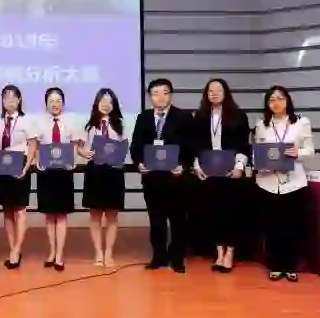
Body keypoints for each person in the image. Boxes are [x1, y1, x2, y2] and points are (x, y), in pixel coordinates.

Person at [130, 78, 192, 273]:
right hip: (152, 178)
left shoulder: (183, 117)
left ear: (170, 95)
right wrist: (139, 163)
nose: (160, 97)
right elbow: (136, 145)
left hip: (175, 178)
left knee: (178, 220)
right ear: (150, 97)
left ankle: (177, 258)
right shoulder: (144, 117)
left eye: (164, 93)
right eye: (155, 93)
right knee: (156, 221)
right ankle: (158, 257)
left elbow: (191, 146)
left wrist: (183, 165)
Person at [254, 85, 313, 282]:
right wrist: (260, 164)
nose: (276, 102)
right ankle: (275, 265)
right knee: (272, 226)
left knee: (292, 226)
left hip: (293, 182)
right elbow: (257, 151)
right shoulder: (262, 124)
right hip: (268, 181)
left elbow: (310, 150)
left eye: (280, 98)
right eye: (272, 99)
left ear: (287, 101)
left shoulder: (301, 122)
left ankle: (290, 266)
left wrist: (298, 153)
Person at [191, 79, 250, 273]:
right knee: (213, 212)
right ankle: (218, 252)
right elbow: (195, 146)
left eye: (218, 90)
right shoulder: (200, 117)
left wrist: (239, 167)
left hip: (231, 172)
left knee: (231, 213)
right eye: (210, 90)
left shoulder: (239, 116)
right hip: (209, 172)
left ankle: (230, 253)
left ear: (226, 93)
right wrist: (197, 166)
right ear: (206, 94)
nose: (214, 93)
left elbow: (243, 145)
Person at [79, 88, 127, 267]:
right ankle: (98, 252)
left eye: (110, 102)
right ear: (97, 103)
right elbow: (80, 148)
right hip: (95, 171)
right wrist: (84, 153)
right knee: (95, 216)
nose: (106, 105)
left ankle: (109, 253)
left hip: (114, 172)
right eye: (103, 101)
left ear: (114, 105)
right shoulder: (89, 126)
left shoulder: (121, 125)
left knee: (112, 216)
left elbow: (125, 147)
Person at [0, 85, 36, 269]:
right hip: (2, 166)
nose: (10, 101)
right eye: (6, 98)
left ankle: (17, 249)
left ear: (19, 100)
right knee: (7, 210)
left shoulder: (27, 121)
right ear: (2, 101)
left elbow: (33, 146)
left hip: (20, 164)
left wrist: (26, 168)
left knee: (20, 210)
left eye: (13, 97)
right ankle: (12, 248)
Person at [34, 87, 77, 271]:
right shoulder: (39, 123)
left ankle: (60, 254)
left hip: (64, 173)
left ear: (63, 103)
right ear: (46, 104)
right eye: (51, 101)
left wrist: (73, 162)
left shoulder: (71, 121)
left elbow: (74, 145)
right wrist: (37, 162)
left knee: (61, 214)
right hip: (46, 173)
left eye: (58, 100)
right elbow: (35, 146)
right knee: (49, 215)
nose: (55, 104)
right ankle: (52, 251)